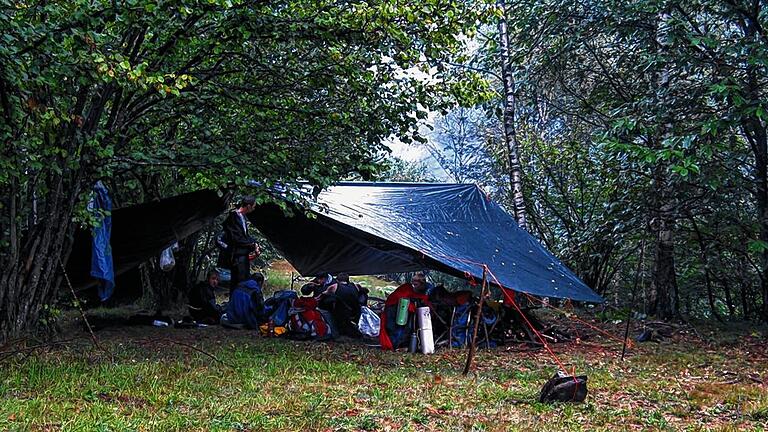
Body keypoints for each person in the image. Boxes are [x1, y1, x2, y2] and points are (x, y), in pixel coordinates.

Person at [379, 272, 433, 350]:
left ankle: (398, 345)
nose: (414, 285)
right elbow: (398, 297)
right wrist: (409, 304)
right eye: (414, 283)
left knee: (403, 328)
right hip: (393, 308)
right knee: (394, 327)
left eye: (417, 284)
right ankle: (393, 345)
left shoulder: (423, 289)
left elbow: (419, 296)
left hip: (402, 310)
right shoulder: (406, 288)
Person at [221, 196, 260, 291]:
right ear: (248, 206)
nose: (254, 209)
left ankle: (241, 302)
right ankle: (236, 303)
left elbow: (245, 236)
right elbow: (237, 238)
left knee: (243, 281)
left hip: (243, 255)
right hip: (237, 256)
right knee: (238, 283)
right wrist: (252, 244)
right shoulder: (234, 217)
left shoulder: (242, 217)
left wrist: (255, 244)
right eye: (253, 206)